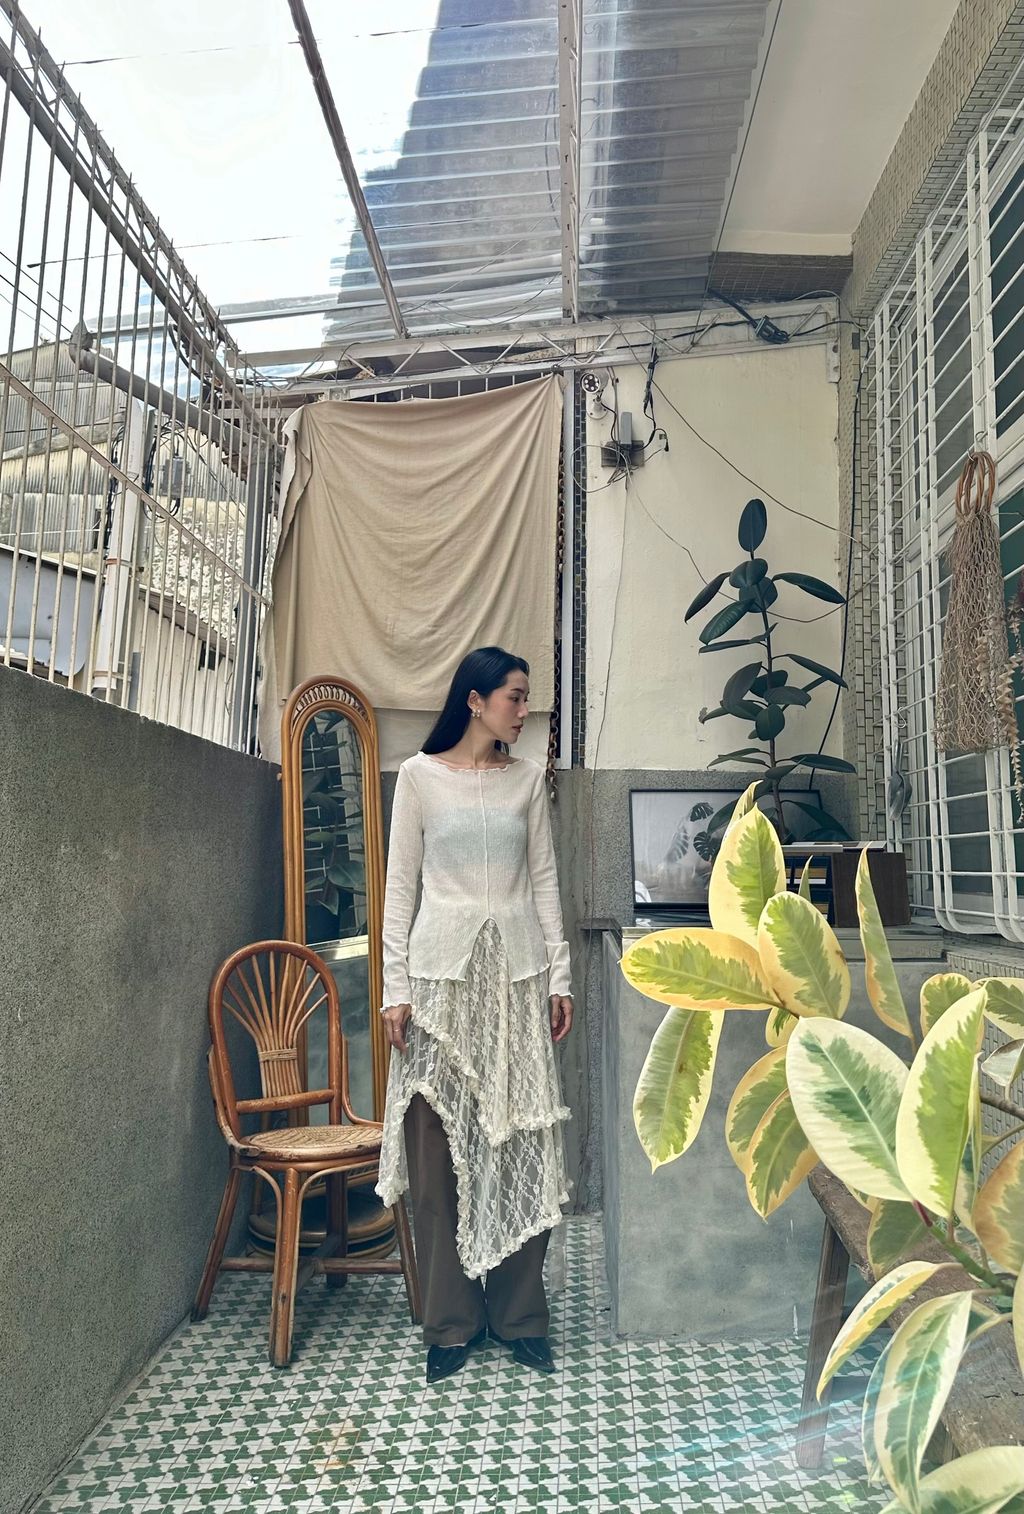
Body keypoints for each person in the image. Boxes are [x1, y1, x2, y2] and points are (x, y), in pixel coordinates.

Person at [375, 646, 574, 1385]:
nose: (523, 710)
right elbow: (400, 888)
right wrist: (394, 989)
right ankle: (450, 1323)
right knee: (435, 1152)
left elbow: (545, 882)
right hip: (439, 986)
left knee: (520, 1141)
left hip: (517, 983)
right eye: (515, 697)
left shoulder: (526, 782)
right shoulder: (419, 778)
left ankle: (519, 1317)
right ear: (476, 700)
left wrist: (560, 978)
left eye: (525, 698)